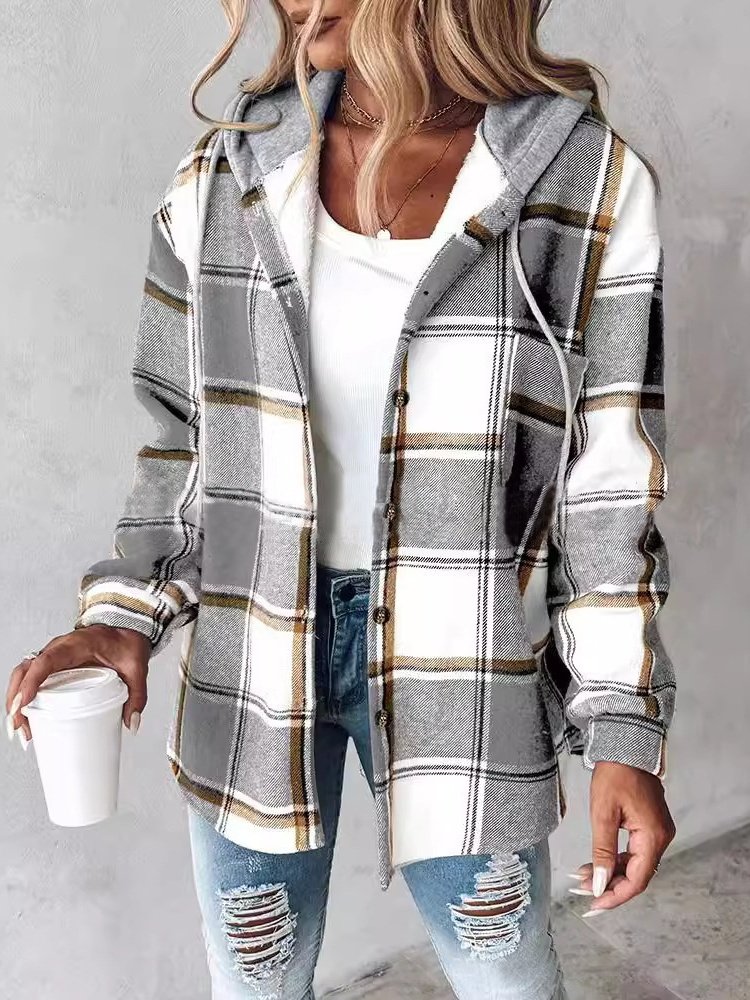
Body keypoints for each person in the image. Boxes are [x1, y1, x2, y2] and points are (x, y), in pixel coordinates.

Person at [5, 1, 677, 997]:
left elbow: (607, 488)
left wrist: (623, 728)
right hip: (255, 655)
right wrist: (120, 618)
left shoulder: (585, 183)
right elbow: (185, 444)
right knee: (257, 984)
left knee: (507, 980)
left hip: (466, 664)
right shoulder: (226, 177)